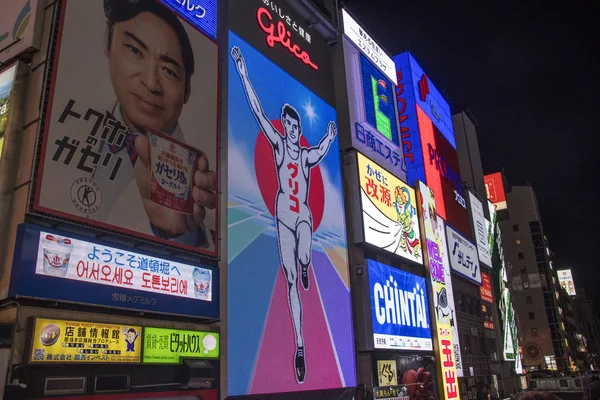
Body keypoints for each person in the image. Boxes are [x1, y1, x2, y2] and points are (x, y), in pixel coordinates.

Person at [231, 45, 338, 384]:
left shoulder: (305, 155)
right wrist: (244, 73)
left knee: (304, 253)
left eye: (295, 126)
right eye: (289, 124)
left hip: (302, 214)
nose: (291, 129)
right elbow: (259, 112)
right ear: (286, 126)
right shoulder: (278, 145)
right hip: (283, 215)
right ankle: (301, 346)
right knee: (291, 280)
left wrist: (330, 138)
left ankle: (306, 262)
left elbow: (320, 150)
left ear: (299, 128)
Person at [91, 0, 216, 248]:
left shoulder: (200, 187)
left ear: (187, 90)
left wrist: (175, 234)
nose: (151, 83)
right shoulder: (69, 128)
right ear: (107, 39)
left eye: (169, 71)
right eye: (136, 51)